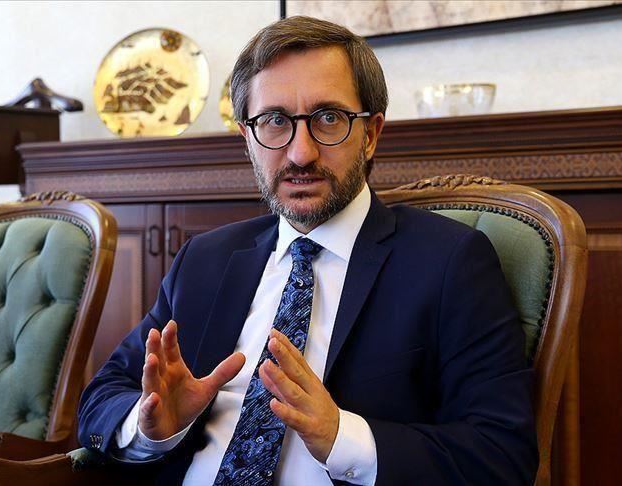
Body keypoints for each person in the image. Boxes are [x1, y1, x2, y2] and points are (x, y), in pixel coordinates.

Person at [78, 15, 537, 485]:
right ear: (248, 139)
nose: (301, 154)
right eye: (275, 121)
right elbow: (100, 399)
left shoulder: (449, 262)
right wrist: (152, 427)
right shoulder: (206, 259)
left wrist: (341, 437)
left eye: (329, 118)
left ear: (371, 134)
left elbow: (502, 458)